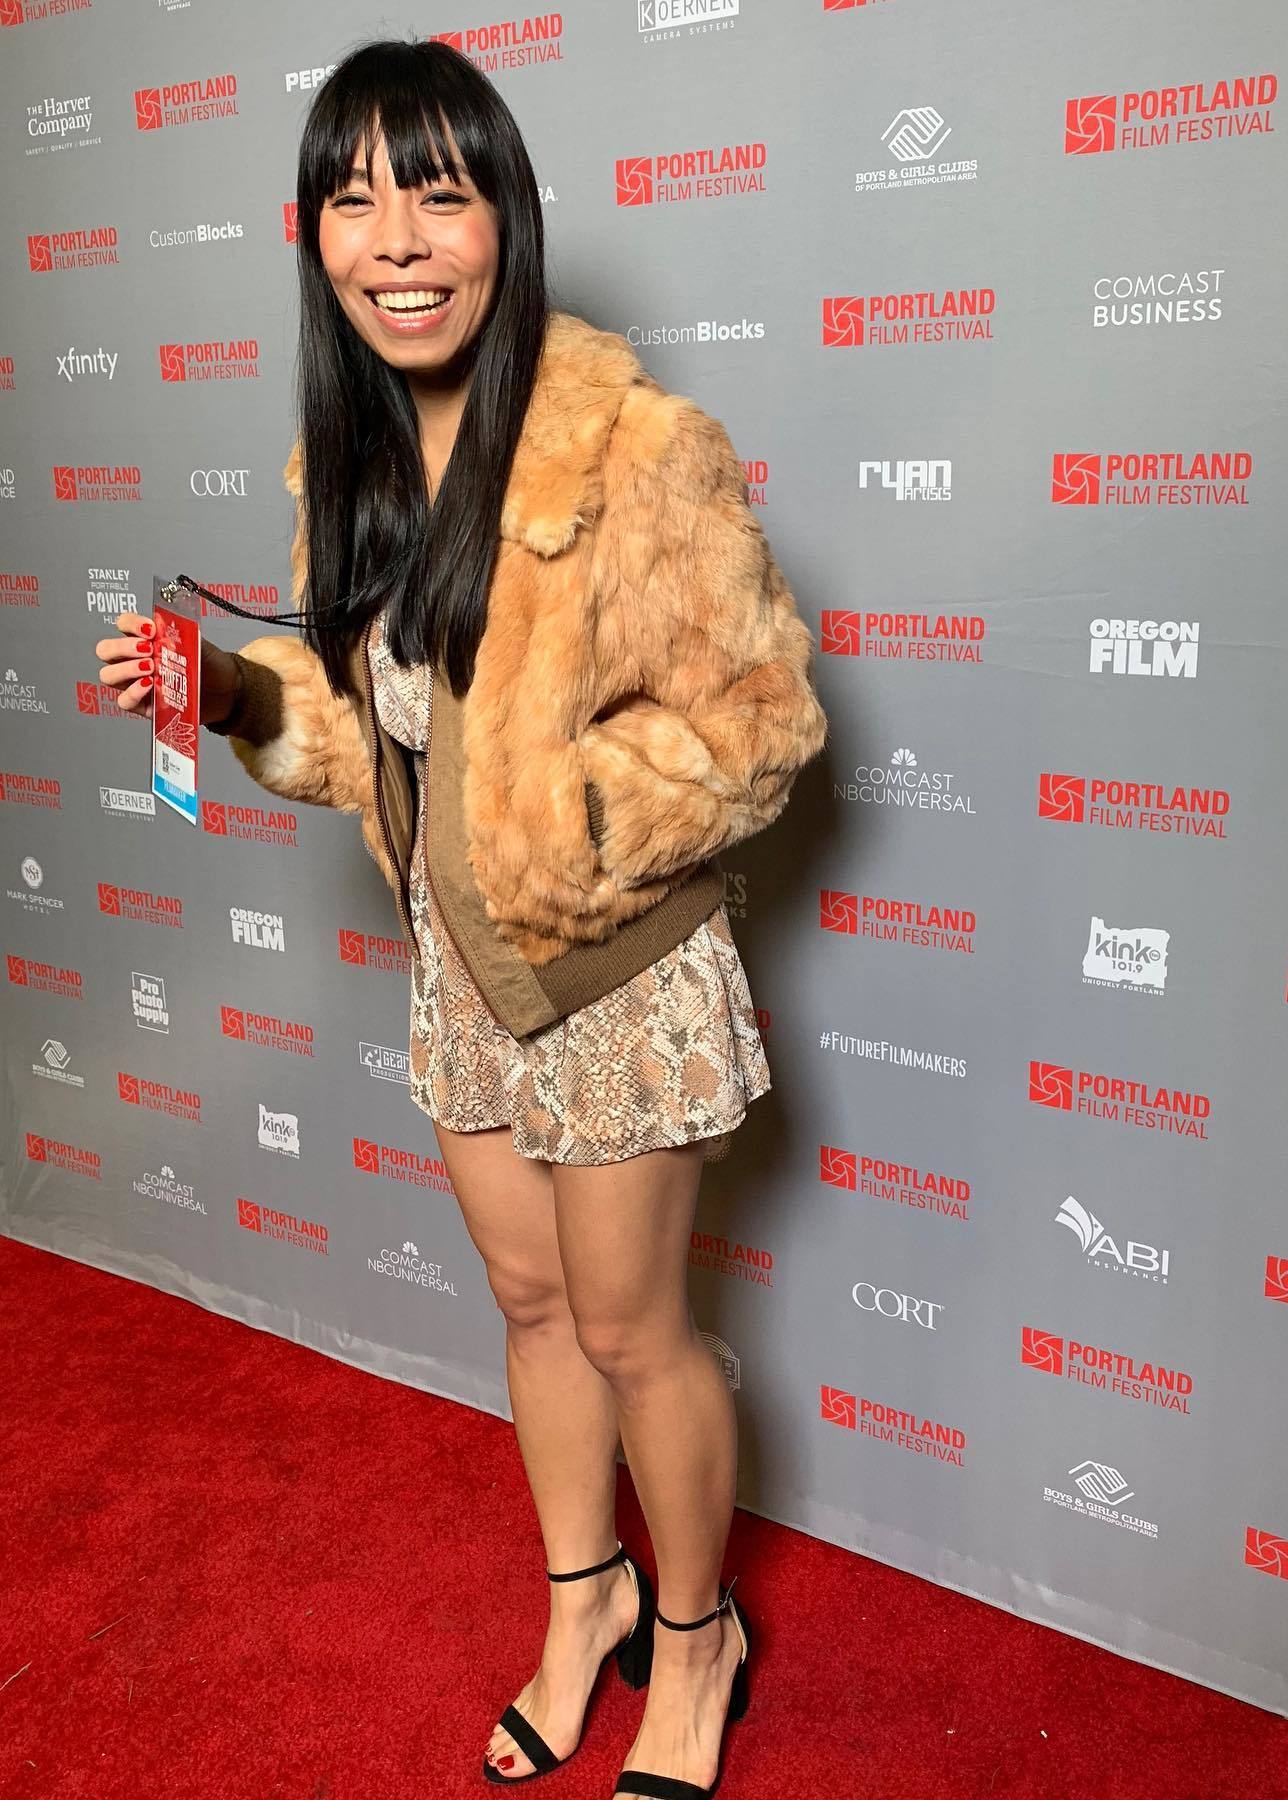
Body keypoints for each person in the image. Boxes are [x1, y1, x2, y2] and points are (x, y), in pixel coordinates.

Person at [94, 38, 827, 1800]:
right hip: (460, 972)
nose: (399, 241)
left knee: (635, 1329)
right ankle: (588, 1607)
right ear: (315, 238)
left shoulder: (637, 448)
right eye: (354, 200)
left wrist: (563, 824)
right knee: (530, 1306)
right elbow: (385, 738)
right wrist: (232, 698)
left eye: (438, 192)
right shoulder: (343, 461)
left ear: (507, 216)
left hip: (616, 972)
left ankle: (698, 1639)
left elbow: (761, 720)